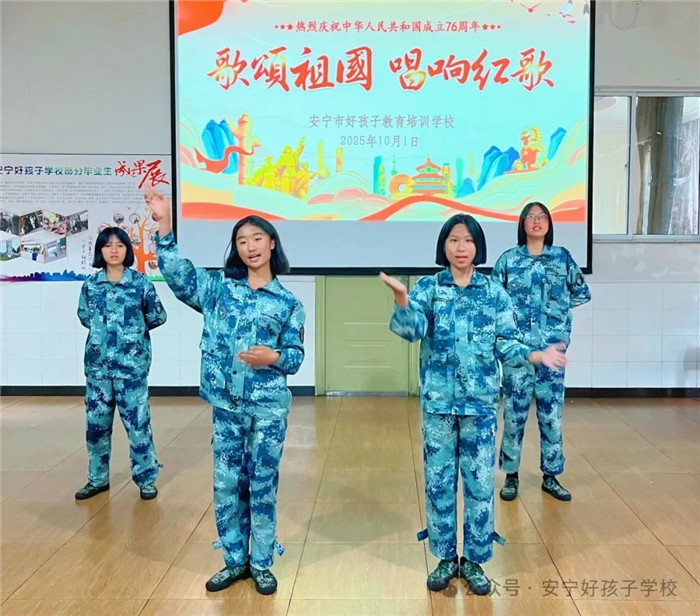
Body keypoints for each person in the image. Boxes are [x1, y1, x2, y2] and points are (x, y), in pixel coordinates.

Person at [380, 214, 567, 596]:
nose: (461, 247)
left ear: (478, 246)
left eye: (468, 240)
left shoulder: (494, 292)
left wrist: (535, 355)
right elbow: (412, 332)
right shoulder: (429, 288)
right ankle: (446, 557)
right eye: (454, 240)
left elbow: (506, 342)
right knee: (439, 484)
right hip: (439, 406)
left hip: (480, 408)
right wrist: (402, 300)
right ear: (444, 246)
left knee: (480, 485)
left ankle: (476, 560)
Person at [145, 187, 305, 596]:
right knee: (227, 484)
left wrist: (273, 357)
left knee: (262, 484)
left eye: (257, 238)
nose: (250, 247)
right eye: (242, 241)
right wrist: (164, 224)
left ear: (272, 243)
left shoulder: (288, 303)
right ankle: (235, 560)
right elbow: (177, 275)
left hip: (268, 410)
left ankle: (262, 563)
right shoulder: (219, 288)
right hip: (227, 406)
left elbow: (295, 357)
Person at [492, 202, 591, 502]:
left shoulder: (562, 258)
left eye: (542, 217)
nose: (536, 222)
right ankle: (511, 475)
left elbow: (582, 293)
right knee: (514, 417)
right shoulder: (508, 260)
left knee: (552, 417)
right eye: (530, 217)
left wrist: (556, 318)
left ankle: (551, 475)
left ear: (549, 223)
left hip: (551, 354)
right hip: (519, 355)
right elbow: (494, 301)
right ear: (522, 223)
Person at [75, 227, 166, 501]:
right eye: (107, 245)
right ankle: (97, 479)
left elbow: (157, 316)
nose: (113, 250)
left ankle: (146, 479)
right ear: (99, 251)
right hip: (98, 370)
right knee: (96, 427)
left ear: (128, 249)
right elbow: (84, 316)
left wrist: (132, 339)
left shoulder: (140, 284)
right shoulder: (91, 285)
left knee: (138, 426)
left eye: (119, 245)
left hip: (131, 370)